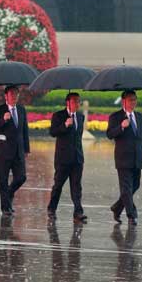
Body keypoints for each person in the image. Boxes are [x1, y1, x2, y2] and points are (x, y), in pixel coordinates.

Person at [106, 90, 142, 226]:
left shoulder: (140, 117)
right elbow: (109, 134)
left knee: (135, 185)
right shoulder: (115, 117)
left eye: (135, 99)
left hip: (137, 158)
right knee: (126, 188)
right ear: (123, 101)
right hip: (123, 158)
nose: (133, 102)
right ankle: (132, 215)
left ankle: (117, 207)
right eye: (130, 100)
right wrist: (121, 126)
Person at [47, 92, 88, 223]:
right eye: (75, 101)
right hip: (63, 159)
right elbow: (53, 132)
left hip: (77, 158)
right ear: (68, 102)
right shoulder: (58, 116)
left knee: (76, 187)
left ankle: (78, 212)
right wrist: (65, 125)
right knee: (58, 185)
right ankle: (51, 209)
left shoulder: (81, 117)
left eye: (78, 101)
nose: (77, 104)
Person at [0, 86, 30, 215]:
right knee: (2, 180)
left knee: (21, 177)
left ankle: (9, 194)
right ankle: (5, 208)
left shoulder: (21, 110)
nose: (14, 96)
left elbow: (24, 131)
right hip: (3, 152)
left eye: (16, 94)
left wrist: (26, 149)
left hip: (18, 151)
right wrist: (3, 120)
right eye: (11, 94)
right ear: (6, 96)